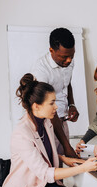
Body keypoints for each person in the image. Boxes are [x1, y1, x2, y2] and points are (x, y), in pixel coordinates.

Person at [0, 74, 97, 187]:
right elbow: (45, 173)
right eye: (52, 103)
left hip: (40, 185)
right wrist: (83, 168)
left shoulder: (46, 122)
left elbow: (44, 152)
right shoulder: (21, 133)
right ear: (37, 106)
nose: (56, 107)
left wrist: (64, 159)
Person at [31, 27, 79, 158]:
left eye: (72, 55)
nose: (69, 60)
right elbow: (48, 108)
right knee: (50, 167)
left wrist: (72, 105)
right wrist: (67, 146)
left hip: (62, 122)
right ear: (51, 50)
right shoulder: (41, 70)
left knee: (61, 167)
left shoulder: (68, 62)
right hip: (47, 124)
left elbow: (67, 83)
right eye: (64, 57)